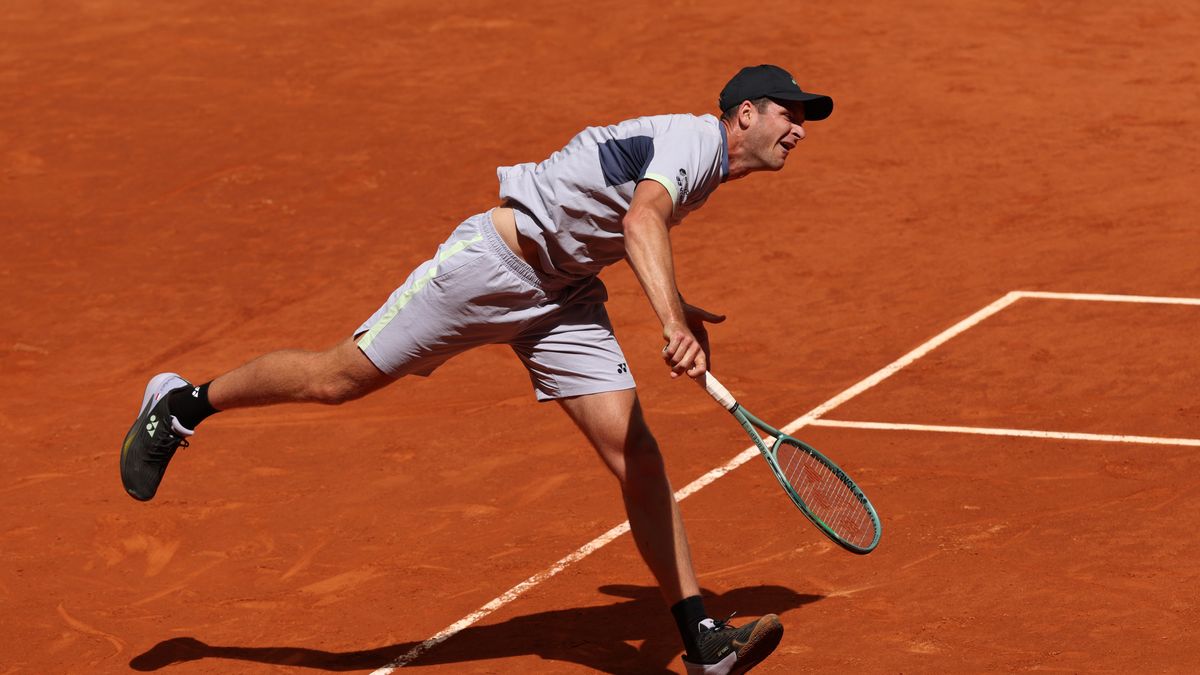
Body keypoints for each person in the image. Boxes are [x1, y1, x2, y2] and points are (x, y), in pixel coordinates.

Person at [120, 64, 832, 675]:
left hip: (565, 296)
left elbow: (628, 221)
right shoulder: (691, 143)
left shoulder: (704, 166)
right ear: (746, 114)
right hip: (491, 271)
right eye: (790, 115)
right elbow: (641, 222)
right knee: (338, 379)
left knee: (637, 453)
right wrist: (669, 322)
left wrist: (679, 302)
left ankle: (702, 640)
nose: (799, 129)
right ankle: (184, 403)